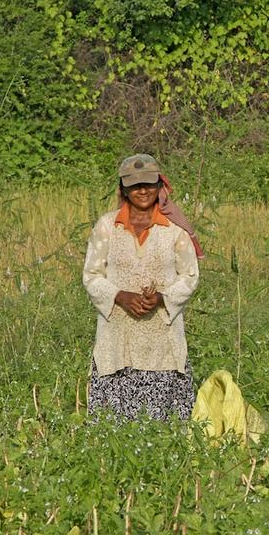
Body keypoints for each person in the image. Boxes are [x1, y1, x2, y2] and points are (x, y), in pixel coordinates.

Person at [83, 154, 205, 421]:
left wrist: (163, 298)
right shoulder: (107, 226)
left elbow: (189, 276)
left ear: (159, 187)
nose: (142, 191)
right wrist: (119, 296)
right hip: (117, 335)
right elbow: (92, 275)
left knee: (162, 424)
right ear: (123, 189)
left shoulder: (175, 230)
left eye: (148, 184)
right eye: (134, 185)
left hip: (162, 335)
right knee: (113, 424)